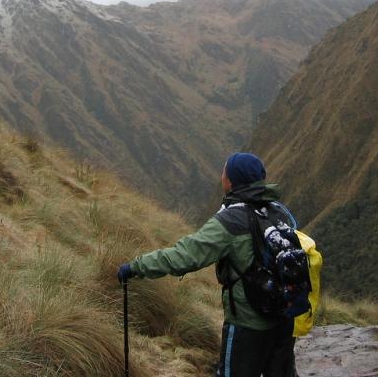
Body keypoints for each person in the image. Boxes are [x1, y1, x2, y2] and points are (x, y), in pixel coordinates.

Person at [117, 152, 298, 377]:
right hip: (284, 316)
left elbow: (183, 256)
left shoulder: (230, 221)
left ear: (231, 181)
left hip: (247, 325)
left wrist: (136, 267)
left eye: (224, 172)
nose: (221, 176)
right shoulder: (278, 211)